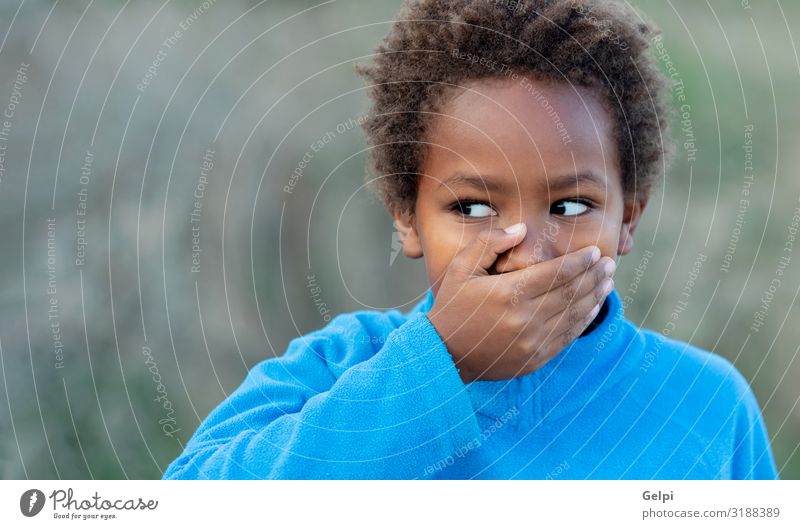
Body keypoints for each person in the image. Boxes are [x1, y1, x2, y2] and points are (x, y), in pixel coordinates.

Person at [163, 0, 779, 479]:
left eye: (570, 205)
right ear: (407, 217)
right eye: (474, 206)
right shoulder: (337, 370)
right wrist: (445, 363)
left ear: (628, 221)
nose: (528, 251)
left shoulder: (706, 405)